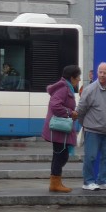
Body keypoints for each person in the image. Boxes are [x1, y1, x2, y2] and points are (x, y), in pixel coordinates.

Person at [76, 62, 106, 191]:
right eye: (100, 72)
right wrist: (85, 125)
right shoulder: (89, 90)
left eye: (105, 72)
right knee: (91, 156)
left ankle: (103, 180)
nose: (102, 75)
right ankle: (88, 182)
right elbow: (80, 110)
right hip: (92, 130)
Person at [43, 64, 81, 193]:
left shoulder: (66, 87)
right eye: (78, 77)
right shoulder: (64, 88)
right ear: (72, 77)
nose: (79, 80)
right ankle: (55, 184)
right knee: (60, 155)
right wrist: (71, 113)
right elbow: (55, 105)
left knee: (60, 154)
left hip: (61, 129)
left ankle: (56, 182)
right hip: (59, 129)